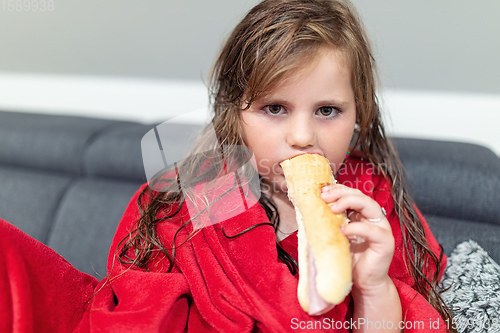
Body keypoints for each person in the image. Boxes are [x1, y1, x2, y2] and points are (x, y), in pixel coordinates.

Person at [0, 0, 455, 332]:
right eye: (274, 108)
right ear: (234, 113)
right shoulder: (182, 196)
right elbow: (125, 306)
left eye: (327, 110)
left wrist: (374, 288)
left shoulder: (374, 207)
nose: (302, 136)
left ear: (359, 114)